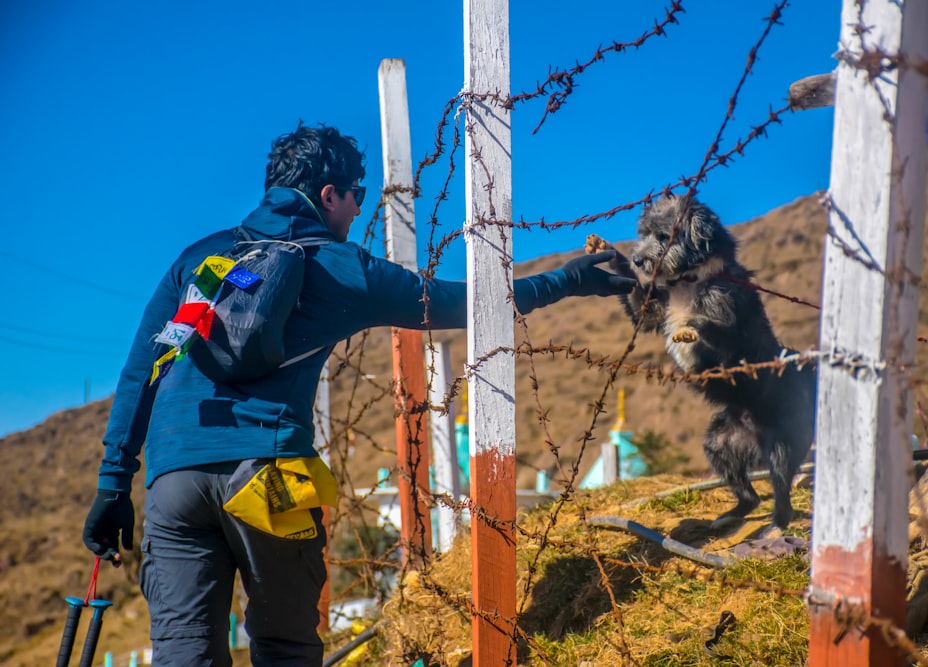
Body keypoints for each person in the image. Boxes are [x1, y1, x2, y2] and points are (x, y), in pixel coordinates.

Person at [81, 122, 635, 666]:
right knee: (286, 649)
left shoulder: (200, 258)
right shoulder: (341, 266)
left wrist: (112, 485)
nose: (359, 210)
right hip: (266, 477)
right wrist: (568, 280)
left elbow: (142, 371)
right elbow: (462, 303)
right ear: (329, 195)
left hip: (174, 481)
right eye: (356, 196)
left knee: (183, 654)